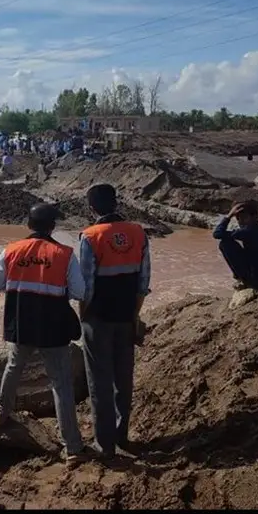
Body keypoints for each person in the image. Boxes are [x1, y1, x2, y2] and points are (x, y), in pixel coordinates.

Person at [0, 203, 88, 468]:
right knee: (61, 384)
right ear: (52, 226)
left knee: (13, 367)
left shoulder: (10, 251)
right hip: (53, 327)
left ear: (28, 224)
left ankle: (1, 412)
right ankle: (73, 448)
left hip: (21, 323)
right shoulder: (65, 254)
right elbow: (79, 292)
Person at [78, 184, 150, 459]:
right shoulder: (138, 232)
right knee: (124, 379)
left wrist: (83, 315)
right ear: (116, 202)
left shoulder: (90, 236)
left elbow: (86, 285)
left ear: (91, 207)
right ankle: (122, 436)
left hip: (98, 317)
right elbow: (143, 281)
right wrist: (134, 315)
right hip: (126, 316)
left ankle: (104, 445)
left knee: (99, 382)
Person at [213, 200, 258, 293]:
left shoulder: (250, 231)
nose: (241, 221)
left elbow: (217, 234)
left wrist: (229, 216)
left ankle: (243, 280)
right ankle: (245, 280)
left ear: (255, 217)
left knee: (225, 243)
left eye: (244, 217)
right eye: (238, 218)